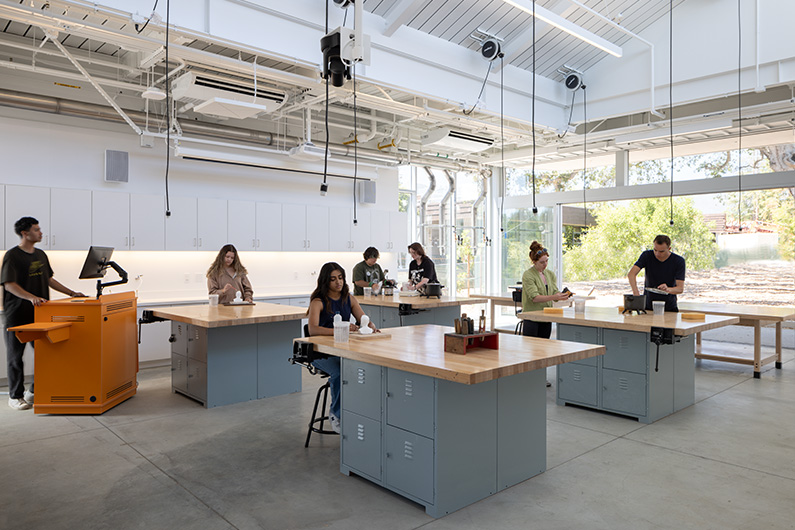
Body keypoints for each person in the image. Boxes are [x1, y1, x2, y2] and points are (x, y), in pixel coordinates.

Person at [2, 217, 85, 411]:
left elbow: (49, 280)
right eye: (37, 230)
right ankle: (15, 396)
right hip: (17, 313)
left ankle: (33, 392)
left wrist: (72, 293)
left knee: (45, 354)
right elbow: (9, 284)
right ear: (25, 233)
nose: (41, 233)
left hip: (40, 314)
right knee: (15, 357)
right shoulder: (12, 256)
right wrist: (31, 297)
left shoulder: (40, 254)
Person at [307, 262, 378, 433]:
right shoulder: (318, 301)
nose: (338, 282)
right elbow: (312, 329)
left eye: (340, 278)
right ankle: (336, 414)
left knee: (363, 367)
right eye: (333, 279)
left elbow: (363, 318)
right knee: (340, 372)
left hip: (342, 349)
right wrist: (340, 329)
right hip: (320, 353)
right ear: (326, 281)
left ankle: (357, 411)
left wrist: (371, 326)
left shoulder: (349, 298)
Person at [521, 241, 571, 338]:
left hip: (546, 317)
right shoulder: (528, 275)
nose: (545, 264)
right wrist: (554, 296)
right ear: (534, 262)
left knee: (545, 349)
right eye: (542, 262)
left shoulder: (550, 274)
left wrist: (560, 295)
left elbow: (554, 292)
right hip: (532, 318)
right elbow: (535, 298)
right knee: (530, 349)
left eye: (547, 261)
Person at [628, 234, 686, 312]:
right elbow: (631, 274)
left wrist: (668, 289)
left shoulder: (678, 261)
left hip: (669, 307)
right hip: (648, 306)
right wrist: (636, 292)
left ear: (669, 248)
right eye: (655, 250)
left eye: (661, 251)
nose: (657, 254)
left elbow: (680, 289)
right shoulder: (647, 256)